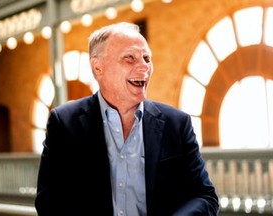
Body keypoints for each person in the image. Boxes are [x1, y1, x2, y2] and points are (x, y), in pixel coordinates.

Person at [35, 22, 219, 216]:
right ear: (98, 67)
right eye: (130, 58)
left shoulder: (177, 124)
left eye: (147, 58)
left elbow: (205, 196)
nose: (144, 67)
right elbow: (49, 202)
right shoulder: (63, 123)